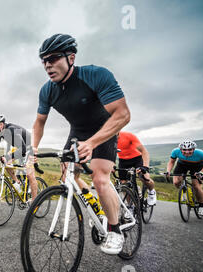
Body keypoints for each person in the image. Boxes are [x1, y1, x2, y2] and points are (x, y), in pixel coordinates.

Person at [31, 34, 131, 255]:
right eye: (44, 60)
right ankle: (99, 207)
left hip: (104, 129)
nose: (48, 64)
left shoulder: (95, 75)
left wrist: (93, 142)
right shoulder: (47, 90)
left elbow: (123, 114)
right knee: (69, 176)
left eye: (54, 58)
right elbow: (39, 122)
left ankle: (115, 230)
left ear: (71, 57)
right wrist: (34, 148)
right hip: (77, 132)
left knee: (99, 177)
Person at [0, 114, 38, 202]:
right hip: (20, 147)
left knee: (30, 175)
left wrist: (7, 156)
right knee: (5, 163)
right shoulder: (0, 134)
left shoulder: (11, 129)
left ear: (1, 125)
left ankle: (35, 203)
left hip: (29, 146)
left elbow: (23, 149)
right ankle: (17, 182)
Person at [166, 139, 203, 216]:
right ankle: (183, 191)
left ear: (194, 149)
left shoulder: (201, 153)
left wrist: (201, 172)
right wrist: (168, 171)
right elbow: (171, 162)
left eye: (190, 150)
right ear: (180, 149)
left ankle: (201, 206)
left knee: (196, 186)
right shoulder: (175, 151)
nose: (187, 152)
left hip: (196, 166)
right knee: (176, 182)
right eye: (184, 150)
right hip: (182, 165)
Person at [117, 131, 157, 205]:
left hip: (137, 158)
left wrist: (145, 167)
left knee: (144, 177)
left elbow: (144, 151)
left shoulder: (128, 136)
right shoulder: (107, 138)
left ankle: (151, 192)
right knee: (123, 184)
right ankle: (131, 206)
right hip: (123, 161)